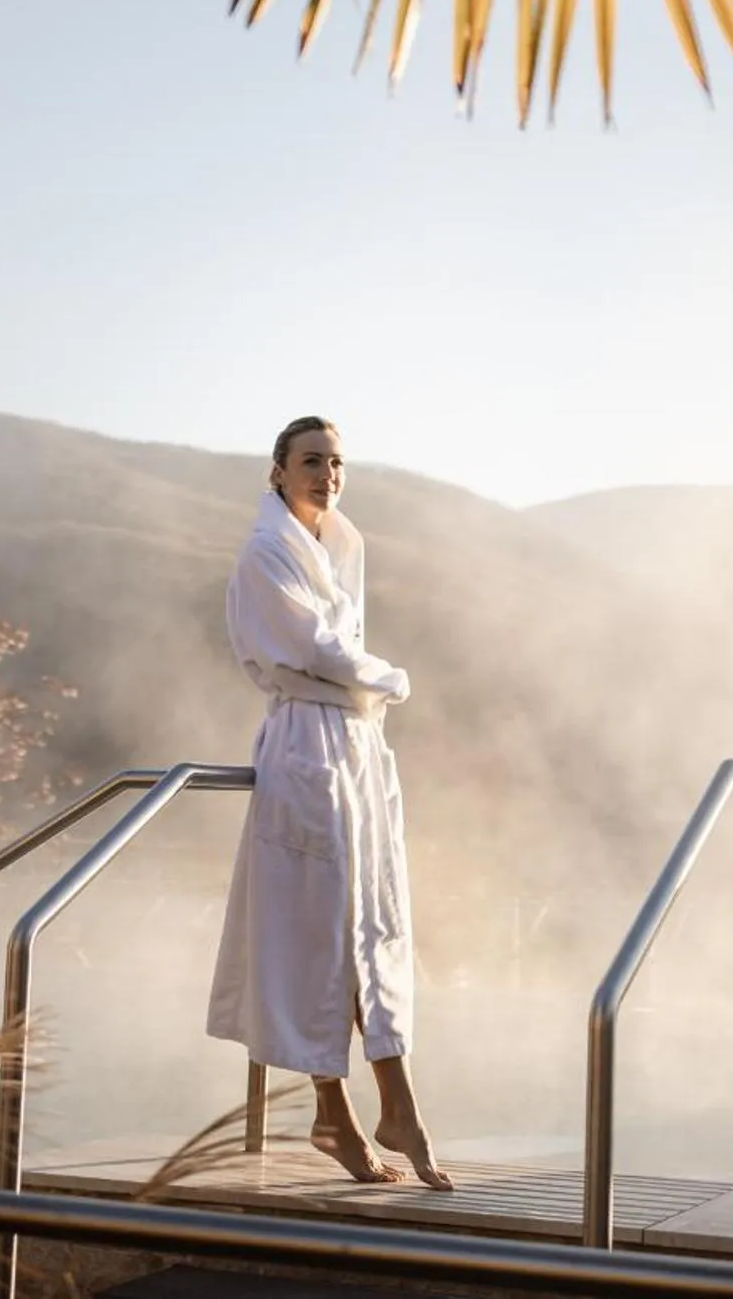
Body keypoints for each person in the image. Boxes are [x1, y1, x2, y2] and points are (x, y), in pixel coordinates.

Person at [206, 416, 451, 1189]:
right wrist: (390, 676)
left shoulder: (341, 547)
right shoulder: (263, 553)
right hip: (307, 746)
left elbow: (333, 654)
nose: (326, 473)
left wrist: (364, 685)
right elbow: (315, 650)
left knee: (376, 920)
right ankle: (334, 1112)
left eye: (337, 462)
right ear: (277, 471)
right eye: (311, 460)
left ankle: (397, 1101)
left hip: (354, 745)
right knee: (321, 930)